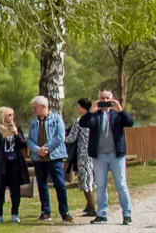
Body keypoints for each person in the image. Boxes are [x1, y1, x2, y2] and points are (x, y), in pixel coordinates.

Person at [81, 90, 135, 223]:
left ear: (112, 99)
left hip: (116, 155)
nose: (105, 100)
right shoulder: (94, 115)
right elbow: (83, 123)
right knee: (100, 185)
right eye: (102, 98)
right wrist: (91, 112)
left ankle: (127, 214)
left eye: (107, 98)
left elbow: (130, 123)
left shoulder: (117, 114)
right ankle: (101, 214)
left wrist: (120, 110)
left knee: (121, 184)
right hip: (99, 155)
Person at [24, 95, 71, 222]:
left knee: (59, 184)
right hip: (38, 158)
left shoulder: (56, 119)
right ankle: (45, 211)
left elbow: (60, 137)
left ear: (43, 106)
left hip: (54, 157)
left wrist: (46, 148)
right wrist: (37, 149)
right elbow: (29, 140)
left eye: (35, 107)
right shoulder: (33, 123)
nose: (33, 110)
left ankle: (65, 212)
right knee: (42, 185)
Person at [0, 106, 29, 223]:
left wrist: (16, 134)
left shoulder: (17, 128)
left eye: (13, 115)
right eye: (9, 115)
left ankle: (15, 213)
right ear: (3, 116)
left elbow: (22, 144)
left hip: (14, 162)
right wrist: (0, 134)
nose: (12, 117)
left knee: (15, 189)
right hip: (1, 162)